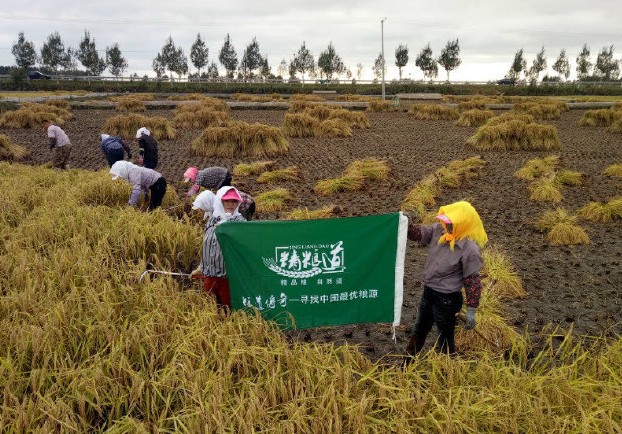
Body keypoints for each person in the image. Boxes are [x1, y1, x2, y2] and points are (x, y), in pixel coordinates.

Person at [405, 201, 488, 356]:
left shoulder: (469, 248)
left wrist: (471, 309)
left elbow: (472, 281)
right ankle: (407, 362)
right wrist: (408, 224)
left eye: (451, 223)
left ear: (462, 224)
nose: (446, 225)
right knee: (419, 329)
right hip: (428, 292)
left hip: (447, 300)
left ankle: (447, 369)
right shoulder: (438, 230)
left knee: (445, 337)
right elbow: (418, 234)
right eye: (446, 221)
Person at [190, 186, 246, 307]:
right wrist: (200, 267)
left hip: (228, 277)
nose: (230, 204)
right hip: (209, 275)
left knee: (228, 308)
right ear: (220, 201)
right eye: (227, 201)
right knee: (208, 307)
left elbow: (245, 248)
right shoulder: (212, 220)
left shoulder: (240, 223)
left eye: (234, 201)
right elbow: (207, 246)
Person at [184, 166, 256, 220]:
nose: (190, 181)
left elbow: (195, 188)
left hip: (225, 177)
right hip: (225, 178)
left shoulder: (199, 176)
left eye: (190, 179)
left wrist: (188, 196)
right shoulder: (220, 201)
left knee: (245, 224)